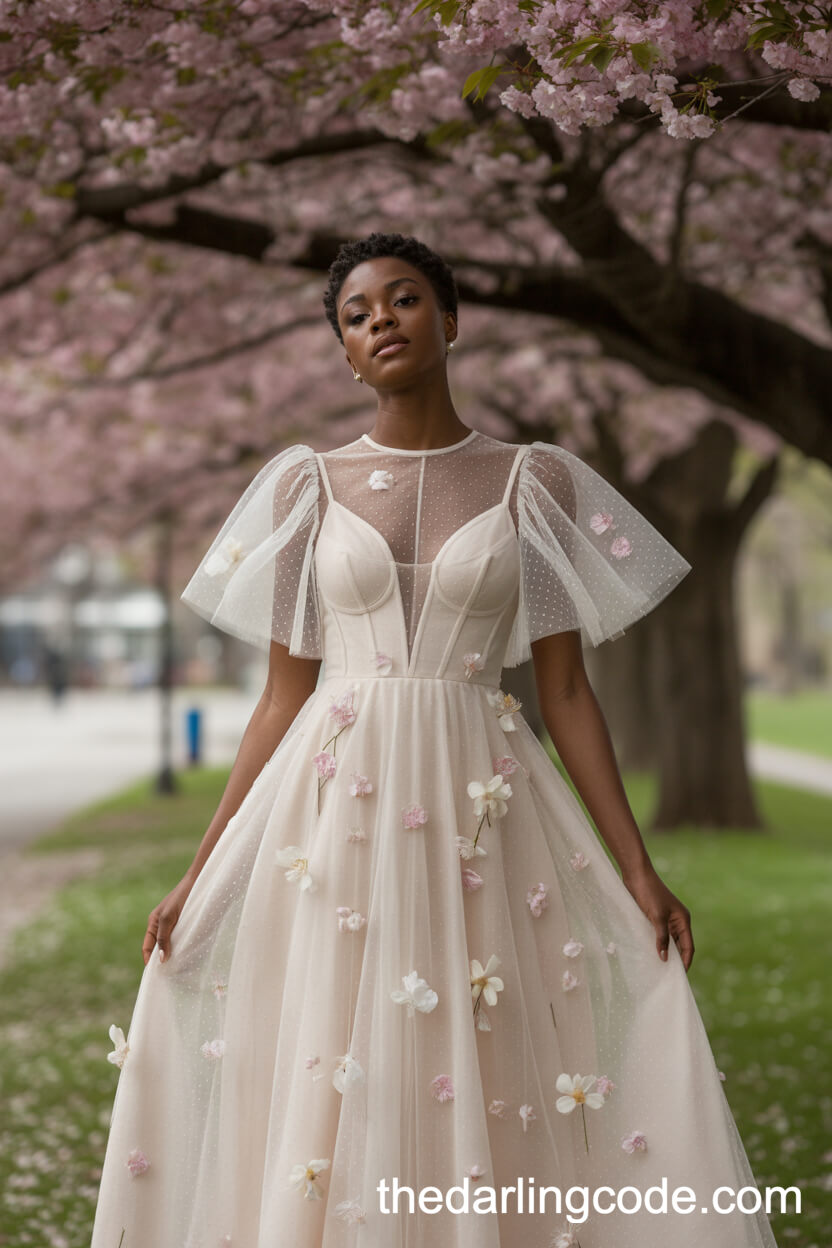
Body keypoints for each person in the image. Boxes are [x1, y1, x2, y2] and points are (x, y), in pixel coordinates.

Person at [90, 232, 779, 1248]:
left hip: (481, 804)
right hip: (330, 811)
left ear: (449, 321)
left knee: (486, 1045)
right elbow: (282, 697)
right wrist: (200, 873)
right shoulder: (303, 488)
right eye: (356, 315)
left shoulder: (530, 481)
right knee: (330, 1053)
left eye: (402, 300)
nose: (380, 323)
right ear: (343, 348)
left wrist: (638, 868)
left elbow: (568, 694)